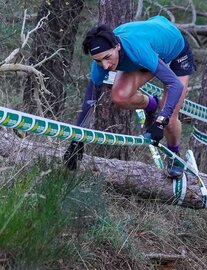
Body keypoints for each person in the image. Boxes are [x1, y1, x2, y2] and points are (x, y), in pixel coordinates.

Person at [63, 16, 195, 179]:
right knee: (119, 96)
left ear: (117, 46)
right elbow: (89, 103)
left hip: (176, 53)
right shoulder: (102, 60)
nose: (105, 66)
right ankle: (151, 105)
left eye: (107, 58)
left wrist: (161, 121)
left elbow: (175, 85)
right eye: (98, 61)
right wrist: (77, 140)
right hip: (151, 49)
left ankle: (174, 156)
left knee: (170, 119)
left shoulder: (138, 50)